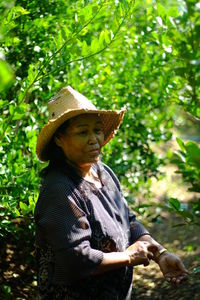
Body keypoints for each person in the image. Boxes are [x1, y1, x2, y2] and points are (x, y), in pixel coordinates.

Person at [34, 86, 188, 300]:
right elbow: (76, 259)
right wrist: (127, 256)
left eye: (97, 130)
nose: (94, 139)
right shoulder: (59, 189)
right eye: (82, 132)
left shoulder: (102, 172)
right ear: (59, 139)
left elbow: (128, 221)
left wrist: (159, 253)